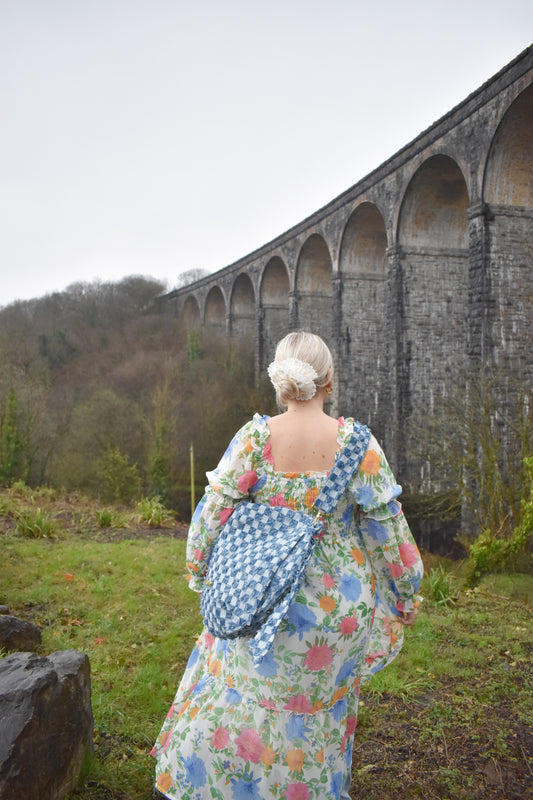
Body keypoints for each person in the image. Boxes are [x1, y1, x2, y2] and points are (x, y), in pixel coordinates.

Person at [152, 331, 423, 800]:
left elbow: (213, 512)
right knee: (317, 717)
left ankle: (218, 784)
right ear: (330, 380)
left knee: (239, 697)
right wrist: (404, 593)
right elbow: (389, 530)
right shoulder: (359, 445)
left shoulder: (256, 438)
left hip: (257, 594)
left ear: (280, 384)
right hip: (334, 611)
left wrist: (200, 570)